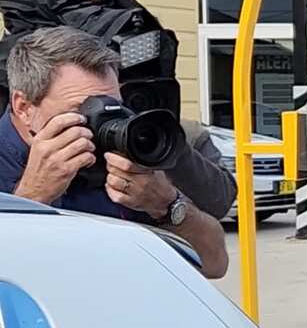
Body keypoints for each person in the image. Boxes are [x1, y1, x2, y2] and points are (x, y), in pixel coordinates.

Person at [0, 26, 228, 279]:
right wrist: (31, 197)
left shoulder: (124, 152)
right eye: (82, 109)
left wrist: (166, 204)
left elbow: (215, 263)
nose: (101, 121)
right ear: (23, 107)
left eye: (113, 106)